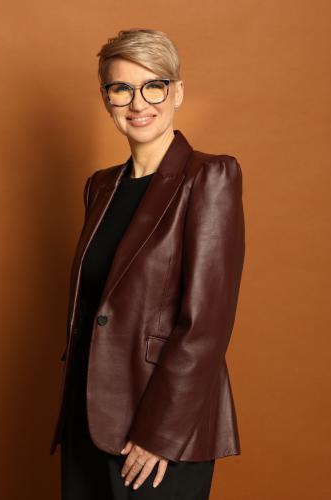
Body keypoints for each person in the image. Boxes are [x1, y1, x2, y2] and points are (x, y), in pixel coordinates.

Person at [49, 28, 245, 500]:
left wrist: (161, 433)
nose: (138, 103)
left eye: (153, 86)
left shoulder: (209, 176)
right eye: (121, 88)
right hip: (87, 418)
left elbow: (206, 324)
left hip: (159, 431)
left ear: (177, 92)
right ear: (107, 99)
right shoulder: (100, 187)